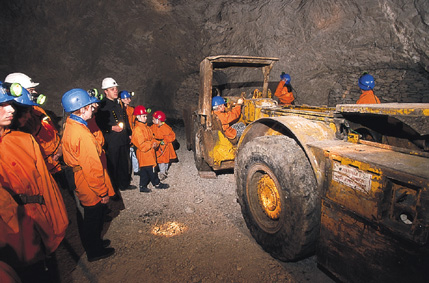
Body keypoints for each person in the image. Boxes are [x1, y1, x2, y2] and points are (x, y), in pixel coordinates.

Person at [0, 83, 68, 277]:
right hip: (9, 244)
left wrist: (56, 225)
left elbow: (46, 187)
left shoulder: (24, 141)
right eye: (1, 105)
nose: (11, 109)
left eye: (9, 103)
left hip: (36, 230)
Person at [61, 88, 115, 262]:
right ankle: (94, 251)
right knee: (93, 216)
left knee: (90, 216)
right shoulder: (82, 134)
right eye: (89, 107)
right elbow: (92, 168)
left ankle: (95, 243)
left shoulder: (70, 124)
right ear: (82, 109)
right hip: (87, 181)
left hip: (79, 177)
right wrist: (102, 192)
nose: (93, 109)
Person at [4, 73, 63, 177]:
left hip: (60, 154)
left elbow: (51, 130)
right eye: (31, 90)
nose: (35, 93)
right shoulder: (14, 125)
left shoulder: (37, 110)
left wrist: (61, 147)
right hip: (47, 167)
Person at [95, 78, 135, 192]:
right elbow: (99, 123)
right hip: (111, 139)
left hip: (122, 138)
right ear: (106, 91)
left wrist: (129, 133)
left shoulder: (119, 103)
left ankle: (124, 184)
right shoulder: (102, 106)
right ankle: (113, 188)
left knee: (124, 161)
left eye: (116, 88)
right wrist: (111, 128)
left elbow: (125, 119)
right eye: (112, 89)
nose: (115, 91)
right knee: (113, 163)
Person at [131, 106, 169, 192]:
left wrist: (157, 143)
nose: (146, 118)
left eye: (145, 116)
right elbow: (141, 145)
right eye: (144, 116)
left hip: (149, 153)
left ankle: (142, 186)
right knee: (151, 170)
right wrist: (152, 144)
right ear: (138, 117)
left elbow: (152, 138)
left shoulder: (146, 127)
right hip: (145, 154)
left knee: (144, 171)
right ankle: (156, 183)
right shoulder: (138, 130)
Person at [150, 111, 177, 181]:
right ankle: (163, 172)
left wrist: (165, 141)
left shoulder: (166, 128)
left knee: (165, 160)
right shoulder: (153, 127)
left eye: (154, 119)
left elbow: (172, 136)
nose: (152, 120)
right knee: (160, 160)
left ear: (159, 120)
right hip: (157, 144)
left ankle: (163, 172)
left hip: (165, 146)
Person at [119, 90, 139, 176]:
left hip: (132, 133)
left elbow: (135, 121)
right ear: (121, 99)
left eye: (129, 98)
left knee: (134, 152)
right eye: (127, 98)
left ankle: (136, 170)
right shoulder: (119, 111)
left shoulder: (131, 110)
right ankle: (126, 172)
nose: (129, 100)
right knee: (126, 155)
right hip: (124, 135)